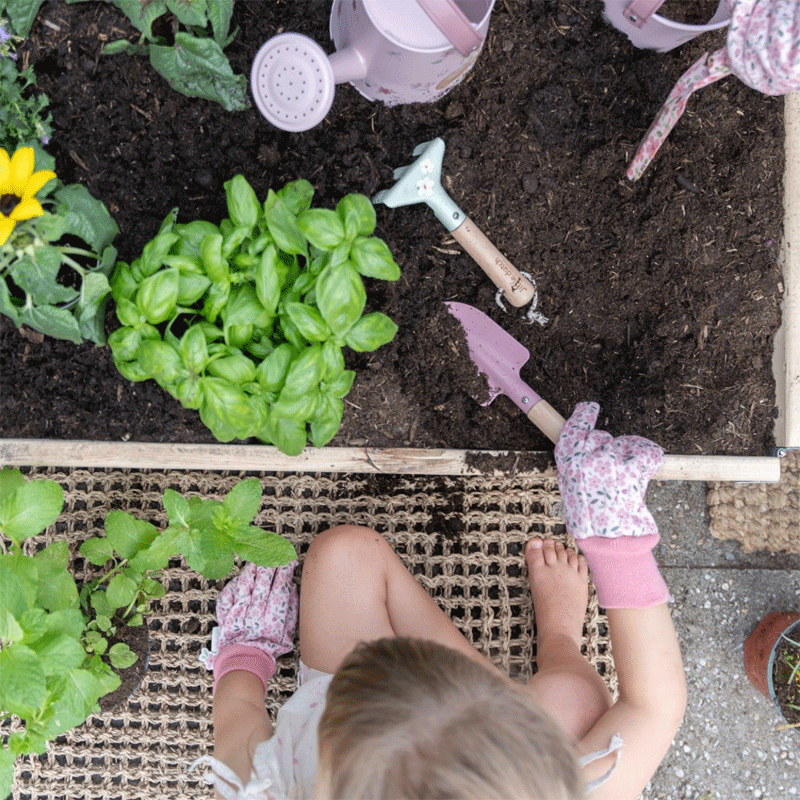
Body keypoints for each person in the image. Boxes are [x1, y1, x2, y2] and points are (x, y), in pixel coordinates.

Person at [192, 402, 687, 799]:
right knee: (571, 700)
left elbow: (236, 724)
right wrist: (614, 536)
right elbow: (653, 706)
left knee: (346, 552)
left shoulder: (272, 785)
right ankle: (559, 638)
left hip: (346, 705)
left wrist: (245, 653)